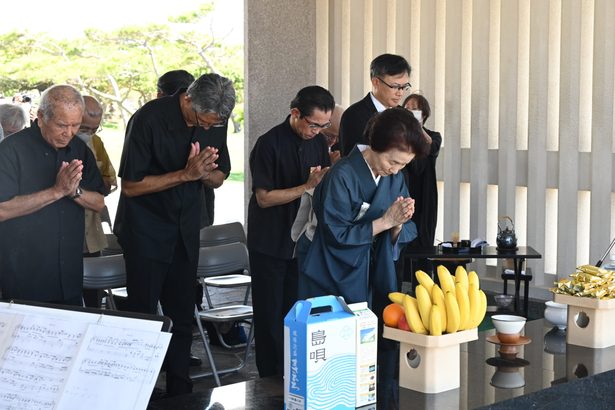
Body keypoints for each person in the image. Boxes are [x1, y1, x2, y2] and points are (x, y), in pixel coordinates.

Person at [114, 73, 235, 397]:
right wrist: (185, 174)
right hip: (145, 231)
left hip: (185, 229)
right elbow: (131, 186)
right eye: (203, 121)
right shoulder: (148, 119)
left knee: (182, 315)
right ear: (187, 100)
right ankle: (135, 392)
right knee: (143, 314)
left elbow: (221, 175)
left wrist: (206, 174)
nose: (208, 129)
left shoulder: (215, 119)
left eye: (214, 125)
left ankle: (181, 391)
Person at [247, 85, 334, 378]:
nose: (318, 132)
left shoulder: (318, 143)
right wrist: (306, 187)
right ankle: (269, 379)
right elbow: (264, 198)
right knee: (270, 313)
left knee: (297, 311)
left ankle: (294, 371)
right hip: (270, 240)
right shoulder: (268, 143)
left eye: (324, 126)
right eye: (313, 125)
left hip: (303, 241)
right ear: (295, 113)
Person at [0, 85, 105, 305]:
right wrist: (56, 191)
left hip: (69, 272)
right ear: (40, 116)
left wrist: (74, 191)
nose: (69, 132)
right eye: (61, 125)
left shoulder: (79, 149)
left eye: (76, 125)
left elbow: (98, 202)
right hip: (25, 274)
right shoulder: (11, 150)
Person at [77, 96, 118, 307]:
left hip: (90, 228)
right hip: (61, 232)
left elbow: (109, 181)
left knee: (93, 294)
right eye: (84, 128)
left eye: (94, 129)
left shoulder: (96, 143)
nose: (89, 134)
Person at [338, 54, 411, 156]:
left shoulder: (405, 116)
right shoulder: (354, 115)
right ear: (376, 82)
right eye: (395, 86)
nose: (400, 93)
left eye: (404, 87)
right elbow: (352, 161)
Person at [402, 94, 443, 275]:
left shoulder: (433, 136)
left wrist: (417, 128)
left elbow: (431, 148)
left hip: (425, 193)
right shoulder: (400, 137)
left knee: (424, 236)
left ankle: (423, 281)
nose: (410, 111)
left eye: (415, 109)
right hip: (405, 188)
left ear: (424, 114)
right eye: (407, 108)